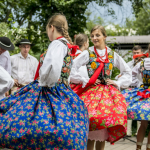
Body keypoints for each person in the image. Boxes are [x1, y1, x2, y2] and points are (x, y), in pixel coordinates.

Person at [0, 13, 89, 150]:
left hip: (50, 89)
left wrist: (44, 83)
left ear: (51, 27)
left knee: (22, 119)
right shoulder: (66, 44)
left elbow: (53, 68)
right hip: (63, 90)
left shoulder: (57, 44)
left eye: (47, 29)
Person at [70, 25, 132, 150]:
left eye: (97, 35)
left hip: (108, 95)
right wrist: (86, 80)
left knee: (103, 130)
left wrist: (117, 83)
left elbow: (127, 72)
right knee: (90, 124)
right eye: (92, 36)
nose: (94, 38)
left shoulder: (112, 55)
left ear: (104, 36)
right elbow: (71, 69)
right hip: (92, 94)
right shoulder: (88, 53)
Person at [121, 51, 150, 150]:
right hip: (146, 94)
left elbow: (131, 75)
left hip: (144, 93)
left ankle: (138, 147)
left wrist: (139, 84)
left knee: (143, 124)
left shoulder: (142, 63)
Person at [116, 45, 144, 137]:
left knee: (139, 109)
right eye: (134, 53)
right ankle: (127, 132)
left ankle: (138, 132)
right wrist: (120, 76)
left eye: (138, 53)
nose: (136, 54)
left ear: (141, 52)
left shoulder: (145, 63)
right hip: (130, 88)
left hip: (140, 89)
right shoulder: (128, 64)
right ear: (132, 53)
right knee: (128, 108)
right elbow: (120, 75)